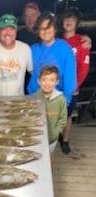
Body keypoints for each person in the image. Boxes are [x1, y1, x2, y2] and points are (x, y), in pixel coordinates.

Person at [27, 13, 77, 108]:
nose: (45, 31)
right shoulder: (32, 49)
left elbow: (70, 78)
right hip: (35, 98)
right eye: (42, 28)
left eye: (49, 27)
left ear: (55, 29)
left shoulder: (65, 49)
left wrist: (65, 101)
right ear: (38, 31)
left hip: (57, 99)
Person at [60, 7, 90, 154]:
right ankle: (54, 137)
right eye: (66, 18)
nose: (69, 21)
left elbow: (84, 69)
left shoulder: (82, 42)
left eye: (72, 19)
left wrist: (74, 86)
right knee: (54, 114)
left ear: (77, 22)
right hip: (55, 88)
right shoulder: (57, 40)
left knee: (68, 115)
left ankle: (65, 140)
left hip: (72, 89)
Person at [19, 1, 92, 49]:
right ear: (23, 18)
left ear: (39, 15)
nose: (30, 19)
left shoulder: (55, 33)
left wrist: (84, 40)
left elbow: (70, 36)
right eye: (27, 16)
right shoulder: (19, 35)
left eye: (33, 15)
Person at [0, 14, 33, 96]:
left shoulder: (25, 48)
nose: (8, 33)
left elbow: (32, 72)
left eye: (11, 29)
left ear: (16, 31)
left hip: (19, 103)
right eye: (4, 29)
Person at [31, 65, 67, 153]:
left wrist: (55, 133)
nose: (47, 83)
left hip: (52, 139)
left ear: (57, 82)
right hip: (36, 137)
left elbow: (63, 119)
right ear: (38, 81)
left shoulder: (61, 99)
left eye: (52, 80)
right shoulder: (34, 98)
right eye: (44, 79)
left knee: (50, 157)